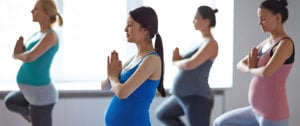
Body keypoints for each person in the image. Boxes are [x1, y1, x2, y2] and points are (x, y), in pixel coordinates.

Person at [213, 0, 294, 126]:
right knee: (220, 122)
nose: (259, 23)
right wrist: (252, 68)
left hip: (274, 114)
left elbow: (267, 72)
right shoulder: (266, 43)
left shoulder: (285, 44)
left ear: (278, 17)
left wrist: (251, 69)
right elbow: (240, 64)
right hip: (255, 111)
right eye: (259, 19)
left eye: (263, 19)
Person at [101, 6, 166, 126]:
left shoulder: (152, 59)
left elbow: (122, 93)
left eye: (130, 25)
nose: (125, 29)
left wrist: (113, 77)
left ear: (145, 30)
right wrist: (110, 75)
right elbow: (105, 86)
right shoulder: (134, 58)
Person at [155, 6, 219, 126]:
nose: (193, 21)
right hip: (183, 96)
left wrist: (176, 62)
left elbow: (190, 64)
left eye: (196, 18)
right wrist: (179, 58)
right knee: (162, 114)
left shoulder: (211, 44)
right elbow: (186, 61)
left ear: (206, 21)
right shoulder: (198, 41)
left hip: (197, 98)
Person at [4, 0, 63, 126]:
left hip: (41, 95)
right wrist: (20, 50)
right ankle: (32, 116)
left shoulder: (51, 36)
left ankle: (35, 116)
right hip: (31, 93)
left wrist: (17, 55)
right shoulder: (39, 34)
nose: (32, 11)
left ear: (47, 13)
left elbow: (30, 57)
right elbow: (32, 55)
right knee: (10, 101)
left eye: (36, 8)